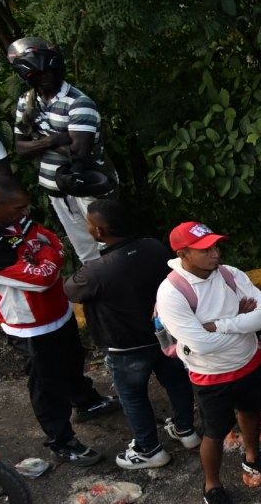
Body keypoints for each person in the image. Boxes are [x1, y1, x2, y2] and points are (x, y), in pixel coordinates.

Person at [0, 177, 113, 465]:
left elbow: (53, 242)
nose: (25, 214)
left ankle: (86, 402)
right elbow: (42, 277)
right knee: (46, 386)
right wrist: (47, 257)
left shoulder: (16, 222)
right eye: (18, 209)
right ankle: (62, 441)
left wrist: (45, 256)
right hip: (29, 326)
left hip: (59, 310)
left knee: (73, 361)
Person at [157, 220, 261, 504]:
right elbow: (202, 346)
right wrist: (240, 322)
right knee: (215, 432)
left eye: (215, 246)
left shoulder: (230, 274)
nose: (215, 254)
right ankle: (212, 486)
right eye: (204, 249)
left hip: (250, 362)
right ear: (183, 253)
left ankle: (252, 458)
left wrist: (220, 325)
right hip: (211, 375)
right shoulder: (172, 293)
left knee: (251, 413)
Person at [66, 199, 200, 469]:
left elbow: (70, 289)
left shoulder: (96, 271)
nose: (89, 229)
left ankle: (149, 448)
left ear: (100, 232)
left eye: (90, 225)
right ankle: (186, 430)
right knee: (177, 381)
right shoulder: (154, 246)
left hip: (124, 346)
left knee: (133, 395)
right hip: (165, 334)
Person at [8, 36, 112, 263]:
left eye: (50, 72)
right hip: (56, 190)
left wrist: (37, 137)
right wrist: (53, 139)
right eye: (40, 75)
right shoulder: (27, 102)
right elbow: (20, 149)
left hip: (89, 188)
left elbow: (79, 154)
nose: (47, 78)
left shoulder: (79, 103)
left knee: (108, 244)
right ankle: (101, 292)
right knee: (85, 250)